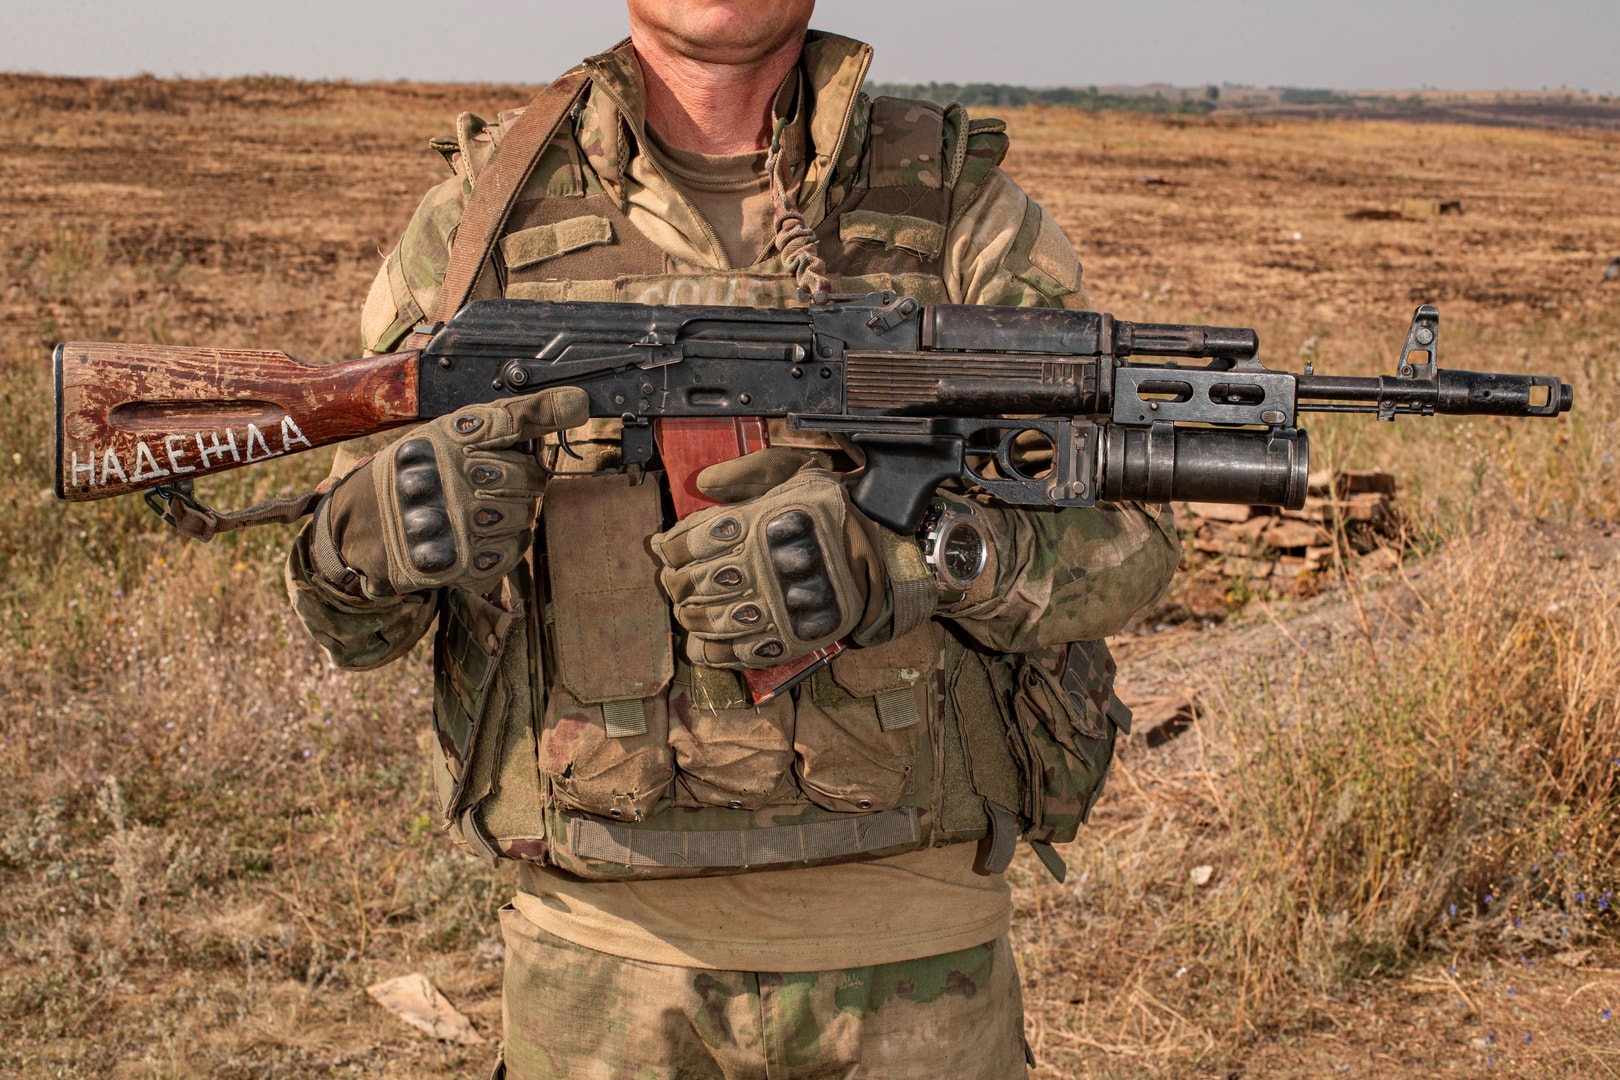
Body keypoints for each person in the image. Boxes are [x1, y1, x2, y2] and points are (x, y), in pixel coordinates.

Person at [284, 2, 1179, 1076]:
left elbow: (1129, 537)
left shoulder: (959, 210)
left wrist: (901, 559)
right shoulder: (479, 219)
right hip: (596, 975)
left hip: (917, 964)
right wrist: (368, 539)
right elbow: (348, 621)